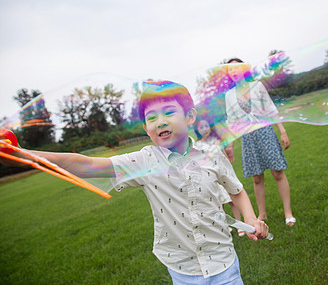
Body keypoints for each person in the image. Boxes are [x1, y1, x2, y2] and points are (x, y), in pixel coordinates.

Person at [1, 80, 269, 284]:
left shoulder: (213, 155)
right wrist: (27, 156)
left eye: (168, 112)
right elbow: (87, 164)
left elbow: (237, 191)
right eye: (151, 117)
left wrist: (250, 220)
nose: (160, 121)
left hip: (224, 261)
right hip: (183, 268)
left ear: (189, 117)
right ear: (145, 129)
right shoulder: (144, 161)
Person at [224, 58, 296, 226]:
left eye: (237, 68)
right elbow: (232, 122)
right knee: (257, 178)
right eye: (230, 69)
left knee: (278, 173)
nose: (234, 71)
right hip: (248, 138)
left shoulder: (257, 86)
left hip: (266, 133)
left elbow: (270, 109)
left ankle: (288, 212)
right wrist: (230, 145)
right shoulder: (229, 95)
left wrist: (283, 131)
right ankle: (262, 214)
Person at [194, 118, 245, 236]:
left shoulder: (216, 140)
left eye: (206, 126)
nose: (204, 129)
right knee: (218, 203)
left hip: (223, 176)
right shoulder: (198, 144)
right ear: (197, 130)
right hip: (212, 178)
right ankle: (225, 226)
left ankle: (240, 224)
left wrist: (229, 172)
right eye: (201, 127)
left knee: (232, 200)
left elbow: (225, 157)